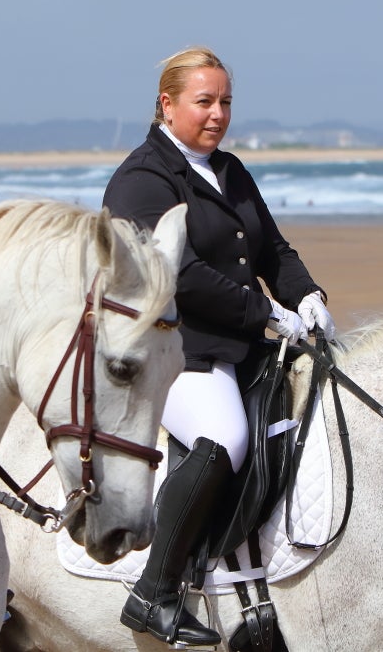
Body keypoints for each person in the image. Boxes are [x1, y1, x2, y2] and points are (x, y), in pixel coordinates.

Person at [103, 46, 336, 647]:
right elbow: (178, 274)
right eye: (204, 101)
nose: (218, 114)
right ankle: (154, 592)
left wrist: (306, 295)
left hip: (238, 345)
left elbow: (272, 251)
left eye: (225, 101)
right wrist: (269, 313)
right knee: (224, 437)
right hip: (172, 349)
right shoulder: (140, 180)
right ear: (167, 104)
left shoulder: (228, 169)